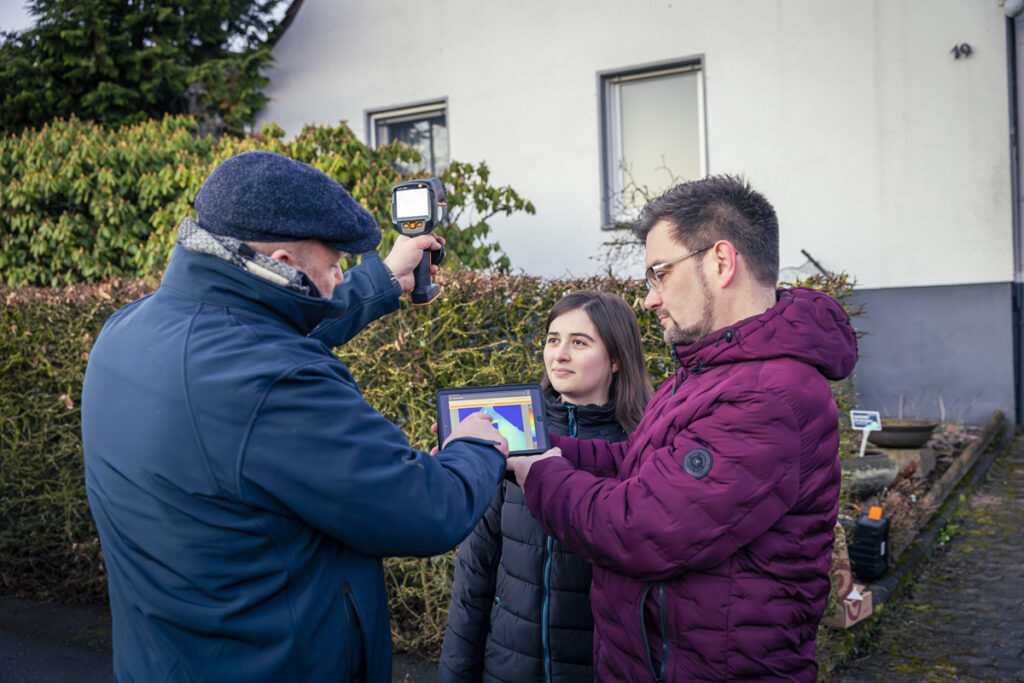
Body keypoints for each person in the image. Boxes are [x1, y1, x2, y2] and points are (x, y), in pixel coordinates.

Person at [81, 151, 509, 682]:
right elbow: (427, 510)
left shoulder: (128, 330)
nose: (338, 277)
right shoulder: (276, 381)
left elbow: (258, 330)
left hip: (166, 659)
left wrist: (380, 279)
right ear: (282, 262)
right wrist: (474, 446)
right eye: (334, 266)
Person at [508, 175, 858, 681]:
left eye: (660, 274)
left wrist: (537, 471)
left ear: (721, 262)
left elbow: (640, 527)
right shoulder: (709, 373)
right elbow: (638, 463)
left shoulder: (769, 397)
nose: (649, 299)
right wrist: (530, 446)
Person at [438, 291, 653, 682]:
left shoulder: (643, 448)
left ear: (617, 358)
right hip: (505, 667)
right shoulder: (509, 438)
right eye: (553, 339)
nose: (560, 355)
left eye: (579, 342)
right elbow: (474, 574)